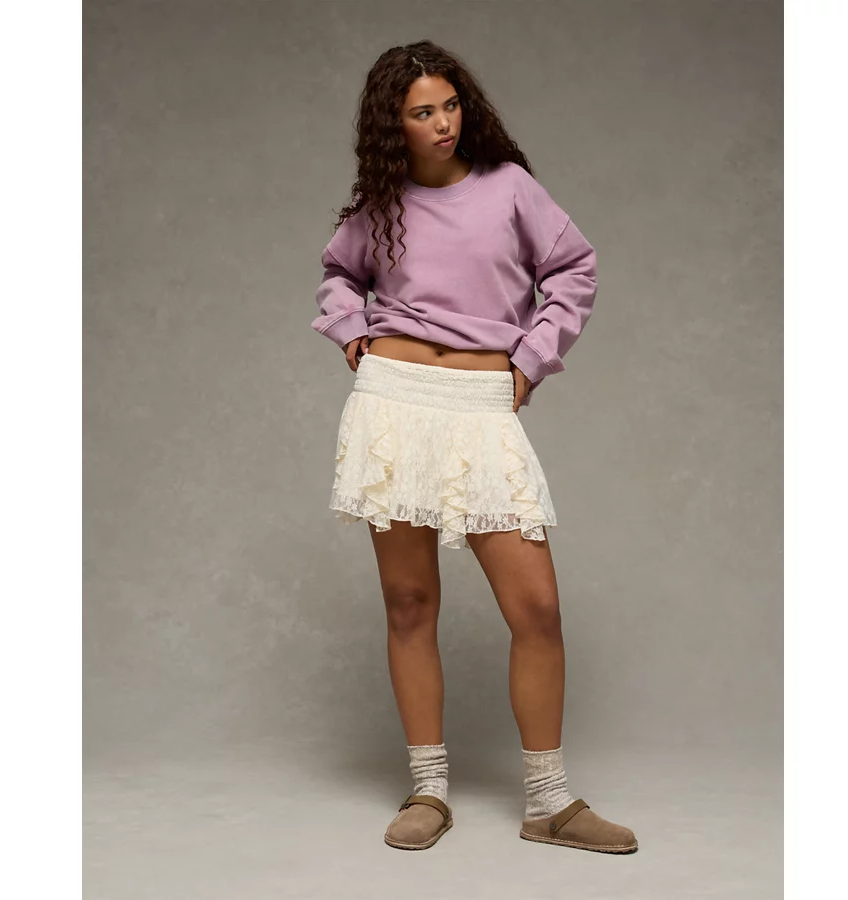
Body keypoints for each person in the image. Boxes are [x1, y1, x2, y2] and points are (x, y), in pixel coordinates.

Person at [311, 40, 637, 855]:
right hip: (393, 403)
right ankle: (428, 790)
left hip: (481, 406)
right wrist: (352, 333)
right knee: (409, 604)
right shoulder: (381, 205)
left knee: (537, 610)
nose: (443, 123)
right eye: (422, 112)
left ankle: (549, 802)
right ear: (394, 125)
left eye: (450, 104)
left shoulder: (508, 188)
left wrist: (531, 358)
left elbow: (574, 269)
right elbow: (339, 277)